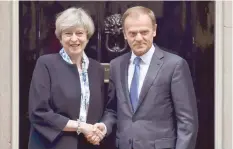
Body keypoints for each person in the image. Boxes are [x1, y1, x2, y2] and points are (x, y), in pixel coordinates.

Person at [89, 6, 198, 149]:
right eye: (132, 33)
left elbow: (187, 122)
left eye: (144, 32)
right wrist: (104, 126)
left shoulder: (175, 65)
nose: (139, 38)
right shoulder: (116, 65)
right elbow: (113, 109)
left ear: (154, 30)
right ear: (125, 34)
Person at [28, 7, 105, 149]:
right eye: (68, 33)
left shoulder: (97, 69)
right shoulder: (46, 64)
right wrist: (81, 127)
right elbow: (39, 112)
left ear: (87, 36)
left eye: (79, 33)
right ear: (60, 37)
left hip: (88, 144)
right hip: (53, 144)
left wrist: (99, 130)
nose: (74, 39)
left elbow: (103, 110)